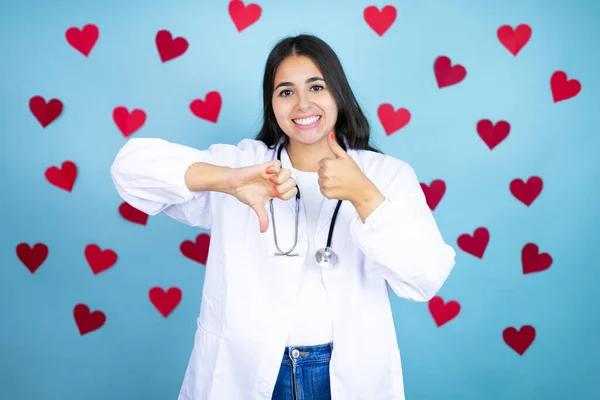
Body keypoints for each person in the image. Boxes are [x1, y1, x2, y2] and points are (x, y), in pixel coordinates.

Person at [110, 34, 456, 400]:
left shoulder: (386, 175)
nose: (302, 104)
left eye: (317, 87)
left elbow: (426, 279)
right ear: (272, 103)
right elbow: (129, 170)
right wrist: (229, 181)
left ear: (338, 93)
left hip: (345, 375)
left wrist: (365, 197)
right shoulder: (244, 164)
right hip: (247, 370)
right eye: (286, 91)